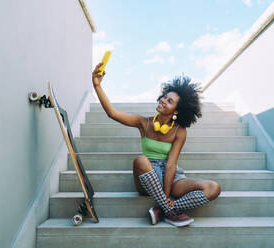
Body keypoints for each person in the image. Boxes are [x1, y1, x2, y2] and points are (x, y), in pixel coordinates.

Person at [92, 62, 221, 227]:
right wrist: (97, 85)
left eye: (169, 100)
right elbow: (112, 113)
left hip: (171, 177)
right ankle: (169, 210)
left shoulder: (179, 131)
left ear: (176, 111)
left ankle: (164, 210)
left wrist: (166, 196)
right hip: (147, 175)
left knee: (213, 188)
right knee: (140, 160)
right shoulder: (142, 122)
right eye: (164, 97)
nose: (163, 100)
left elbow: (171, 165)